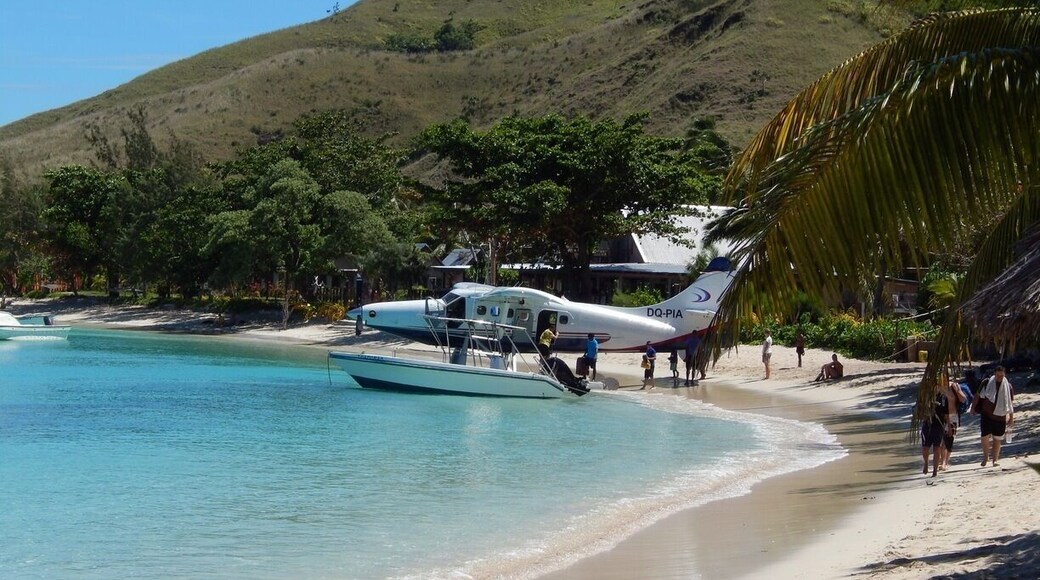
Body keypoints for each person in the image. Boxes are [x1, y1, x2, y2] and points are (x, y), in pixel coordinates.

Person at [974, 365, 1015, 467]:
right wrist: (972, 408)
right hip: (986, 414)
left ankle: (995, 460)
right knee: (984, 436)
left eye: (1001, 376)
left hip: (1000, 416)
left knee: (998, 438)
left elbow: (1010, 403)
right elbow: (977, 395)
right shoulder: (987, 382)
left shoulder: (1008, 386)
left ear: (1004, 375)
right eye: (998, 376)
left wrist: (1011, 417)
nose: (999, 378)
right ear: (994, 374)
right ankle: (985, 457)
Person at [939, 372, 966, 471]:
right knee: (942, 440)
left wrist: (957, 390)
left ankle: (945, 462)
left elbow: (963, 399)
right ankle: (942, 462)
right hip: (941, 417)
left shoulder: (953, 386)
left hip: (953, 416)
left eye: (944, 378)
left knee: (949, 440)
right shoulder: (937, 388)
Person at [920, 385, 948, 477]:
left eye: (937, 386)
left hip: (938, 426)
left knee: (937, 448)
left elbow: (946, 414)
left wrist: (949, 427)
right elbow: (920, 411)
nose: (935, 388)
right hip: (927, 425)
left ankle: (935, 470)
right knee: (925, 448)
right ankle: (926, 464)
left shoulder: (943, 398)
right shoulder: (925, 397)